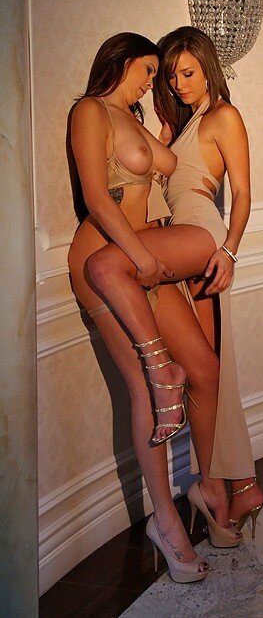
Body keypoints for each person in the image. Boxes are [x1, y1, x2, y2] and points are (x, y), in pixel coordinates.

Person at [68, 32, 235, 585]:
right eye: (147, 70)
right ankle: (165, 521)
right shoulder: (90, 111)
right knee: (148, 387)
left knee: (204, 369)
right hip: (107, 258)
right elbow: (96, 197)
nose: (152, 81)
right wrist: (140, 256)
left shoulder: (135, 120)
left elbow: (164, 166)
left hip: (142, 255)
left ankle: (208, 486)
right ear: (120, 63)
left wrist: (165, 129)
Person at [154, 26, 263, 538]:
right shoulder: (182, 124)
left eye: (187, 72)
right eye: (171, 75)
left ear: (207, 68)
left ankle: (234, 485)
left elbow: (242, 193)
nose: (178, 83)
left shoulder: (224, 116)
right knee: (209, 371)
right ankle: (238, 486)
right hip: (181, 238)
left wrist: (230, 250)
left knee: (215, 369)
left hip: (202, 239)